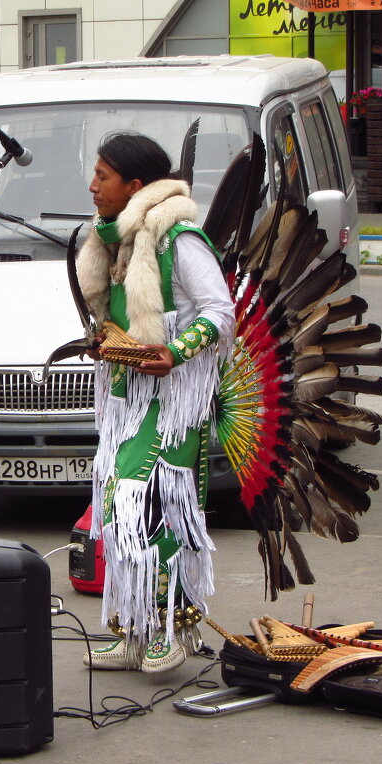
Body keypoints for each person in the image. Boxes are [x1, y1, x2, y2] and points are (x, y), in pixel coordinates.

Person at [76, 132, 234, 672]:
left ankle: (172, 630)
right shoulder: (117, 238)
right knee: (119, 500)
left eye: (103, 176)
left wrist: (176, 349)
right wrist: (107, 339)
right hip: (127, 396)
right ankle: (134, 629)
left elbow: (219, 310)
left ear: (135, 186)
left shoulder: (179, 239)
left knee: (153, 501)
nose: (93, 186)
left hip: (175, 401)